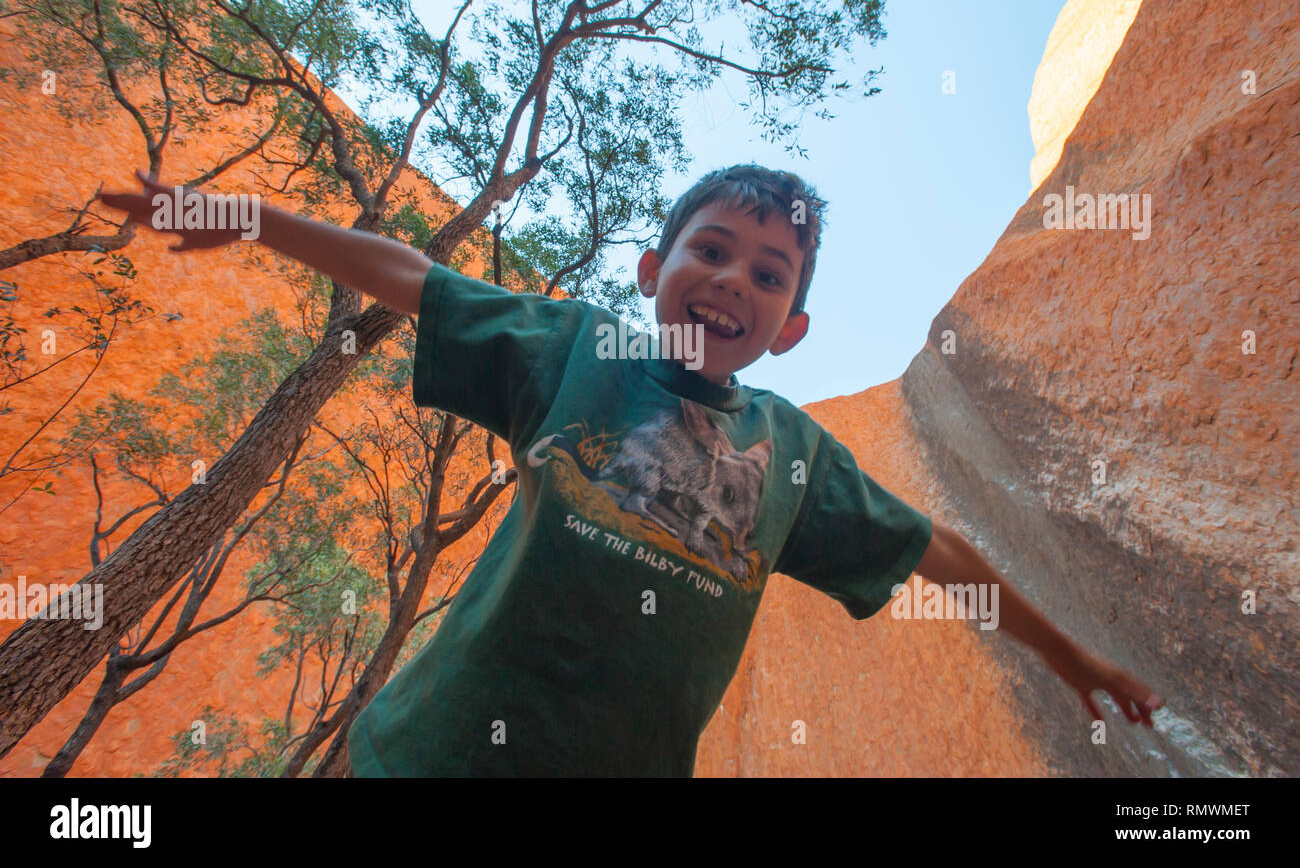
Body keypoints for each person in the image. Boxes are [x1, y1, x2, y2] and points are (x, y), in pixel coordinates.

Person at [97, 163, 1163, 777]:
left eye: (765, 272)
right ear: (654, 270)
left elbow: (937, 549)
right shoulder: (578, 351)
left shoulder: (794, 457)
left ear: (788, 327)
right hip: (427, 755)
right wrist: (241, 216)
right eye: (707, 250)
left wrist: (1071, 660)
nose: (730, 279)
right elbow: (418, 279)